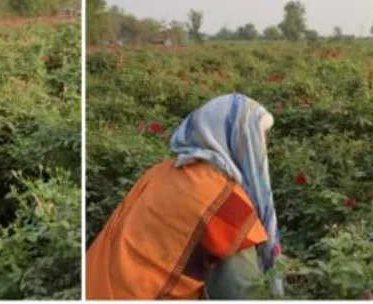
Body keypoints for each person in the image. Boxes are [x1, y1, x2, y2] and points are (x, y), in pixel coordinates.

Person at [87, 94, 282, 300]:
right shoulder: (226, 204)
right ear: (243, 143)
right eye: (258, 139)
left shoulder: (158, 173)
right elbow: (241, 292)